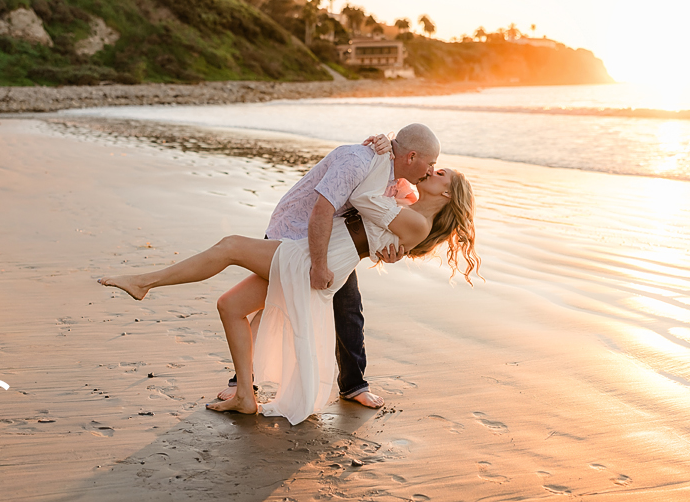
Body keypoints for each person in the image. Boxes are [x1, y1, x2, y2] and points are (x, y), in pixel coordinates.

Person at [99, 127, 480, 425]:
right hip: (310, 254)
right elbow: (387, 190)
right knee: (230, 306)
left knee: (230, 246)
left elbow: (364, 198)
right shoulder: (407, 200)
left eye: (438, 172)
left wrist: (382, 154)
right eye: (432, 164)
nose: (431, 170)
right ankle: (244, 395)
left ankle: (145, 282)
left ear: (446, 195)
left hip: (311, 259)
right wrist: (385, 144)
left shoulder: (416, 223)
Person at [218, 125, 433, 410]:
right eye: (431, 163)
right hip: (292, 232)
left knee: (349, 311)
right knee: (269, 304)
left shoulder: (398, 182)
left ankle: (354, 386)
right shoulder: (359, 159)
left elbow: (397, 222)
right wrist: (319, 265)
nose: (432, 170)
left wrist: (396, 252)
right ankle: (242, 382)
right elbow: (322, 211)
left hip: (332, 246)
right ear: (412, 156)